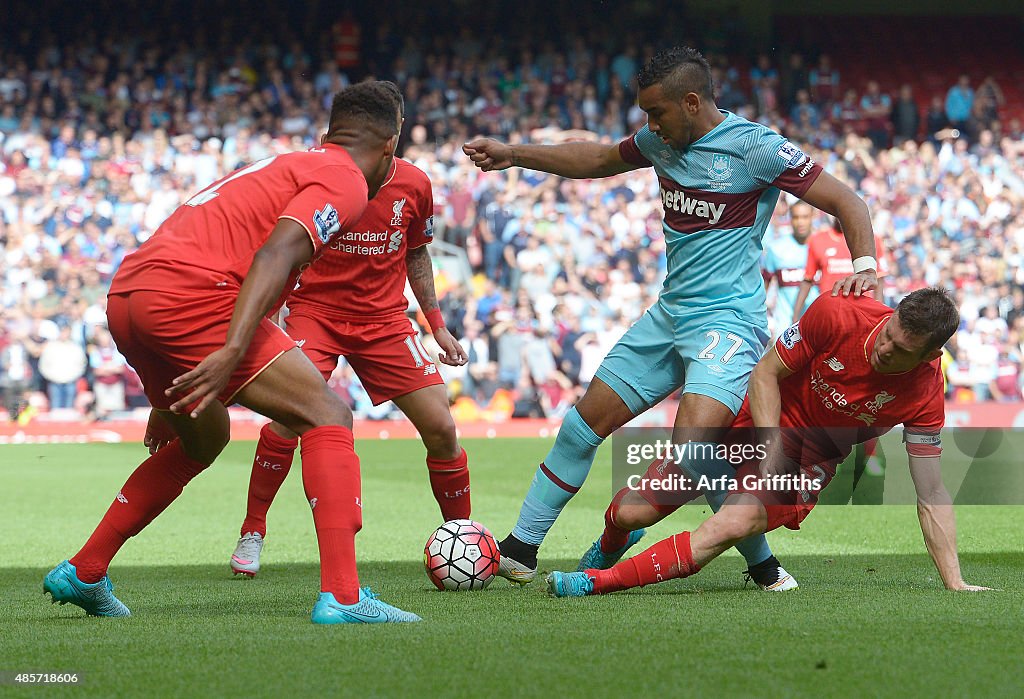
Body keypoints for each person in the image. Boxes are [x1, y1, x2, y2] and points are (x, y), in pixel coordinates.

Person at [463, 46, 879, 589]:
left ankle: (761, 561)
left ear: (690, 101)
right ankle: (521, 548)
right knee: (580, 425)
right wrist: (514, 154)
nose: (648, 125)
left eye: (656, 113)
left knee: (693, 453)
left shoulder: (756, 147)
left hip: (729, 324)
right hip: (670, 314)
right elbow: (596, 161)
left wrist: (866, 266)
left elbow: (849, 201)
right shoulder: (662, 140)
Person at [43, 81, 421, 624]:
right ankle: (343, 597)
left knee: (206, 436)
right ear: (391, 145)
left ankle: (85, 569)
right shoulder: (345, 180)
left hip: (131, 294)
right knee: (328, 414)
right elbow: (276, 252)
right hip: (192, 296)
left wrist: (164, 392)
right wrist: (233, 347)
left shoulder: (285, 163)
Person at [546, 288, 994, 597]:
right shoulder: (839, 313)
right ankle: (610, 543)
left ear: (931, 356)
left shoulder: (925, 396)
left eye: (900, 351)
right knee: (631, 511)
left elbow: (931, 492)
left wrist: (953, 579)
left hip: (809, 460)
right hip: (755, 417)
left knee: (730, 524)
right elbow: (764, 373)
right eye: (888, 333)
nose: (884, 349)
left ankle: (594, 583)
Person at [228, 149, 471, 578]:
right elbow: (280, 252)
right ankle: (253, 529)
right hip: (315, 314)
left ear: (389, 139)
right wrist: (268, 316)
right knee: (290, 418)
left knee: (442, 427)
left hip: (384, 322)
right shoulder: (322, 179)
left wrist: (437, 326)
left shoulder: (415, 183)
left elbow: (417, 254)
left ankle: (462, 538)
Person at [764, 201, 816, 339]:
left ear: (813, 217)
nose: (800, 222)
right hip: (785, 327)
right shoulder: (776, 248)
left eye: (805, 217)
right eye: (796, 217)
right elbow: (765, 286)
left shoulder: (823, 247)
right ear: (790, 218)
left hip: (818, 324)